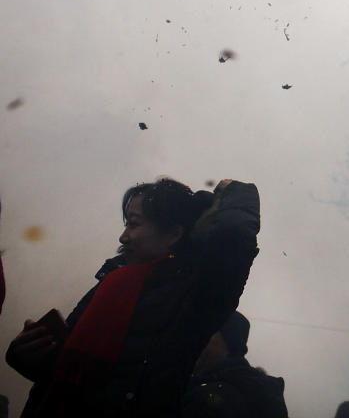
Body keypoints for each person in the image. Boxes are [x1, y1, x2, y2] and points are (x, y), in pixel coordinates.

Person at [5, 178, 260, 417]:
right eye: (126, 223)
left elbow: (234, 238)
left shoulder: (194, 298)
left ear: (173, 234)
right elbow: (70, 374)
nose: (123, 236)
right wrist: (25, 356)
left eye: (134, 224)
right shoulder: (112, 284)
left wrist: (228, 193)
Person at [181, 311, 288, 418]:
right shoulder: (260, 393)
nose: (195, 341)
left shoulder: (210, 399)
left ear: (228, 345)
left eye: (206, 335)